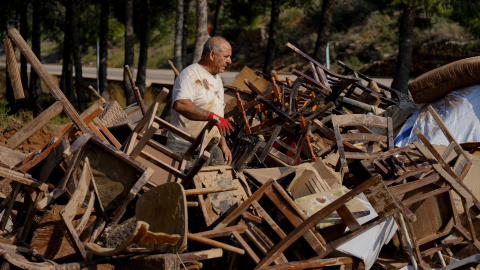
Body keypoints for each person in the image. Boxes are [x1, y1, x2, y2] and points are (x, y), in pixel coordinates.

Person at [166, 37, 234, 165]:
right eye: (226, 56)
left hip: (209, 148)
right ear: (212, 55)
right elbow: (180, 104)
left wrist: (223, 144)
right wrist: (211, 117)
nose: (229, 61)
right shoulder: (190, 74)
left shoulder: (217, 80)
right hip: (185, 148)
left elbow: (217, 114)